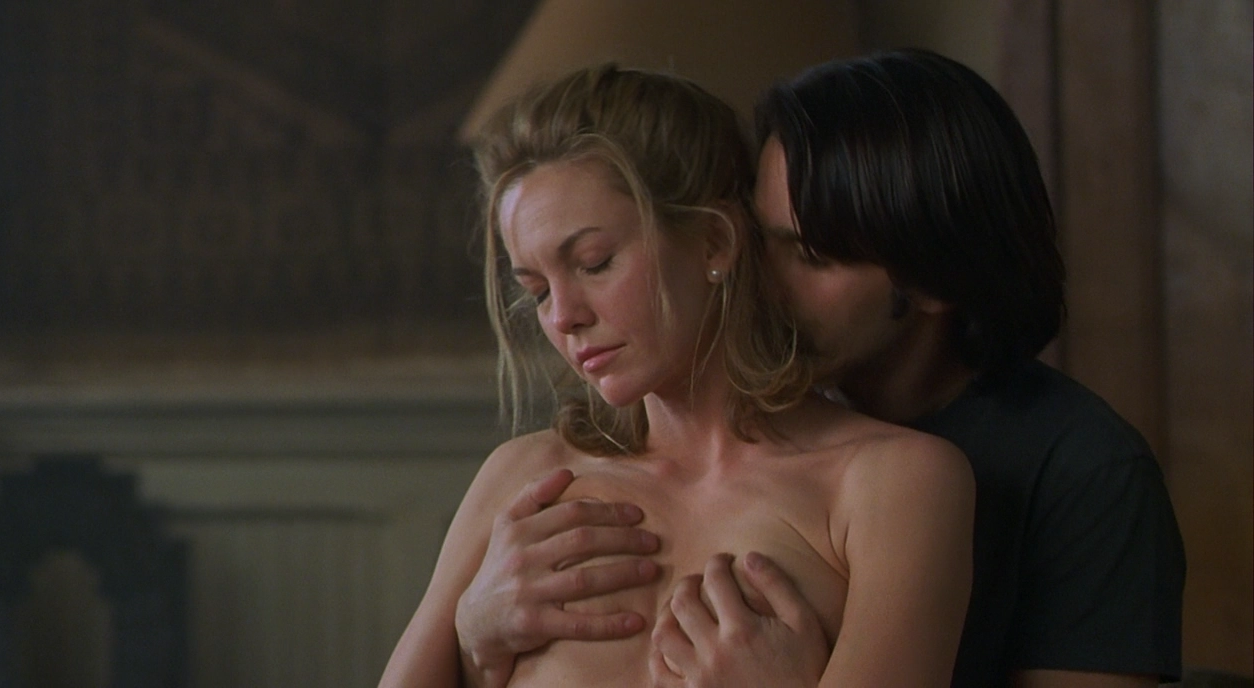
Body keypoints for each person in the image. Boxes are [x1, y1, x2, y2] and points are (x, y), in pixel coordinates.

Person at [450, 50, 1187, 688]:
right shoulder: (574, 459)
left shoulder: (1075, 469)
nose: (754, 272)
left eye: (808, 255)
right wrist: (473, 637)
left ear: (932, 281)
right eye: (759, 233)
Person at [376, 63, 976, 688]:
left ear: (714, 241)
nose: (563, 317)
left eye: (594, 263)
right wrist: (473, 638)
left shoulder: (893, 483)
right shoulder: (524, 477)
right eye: (537, 290)